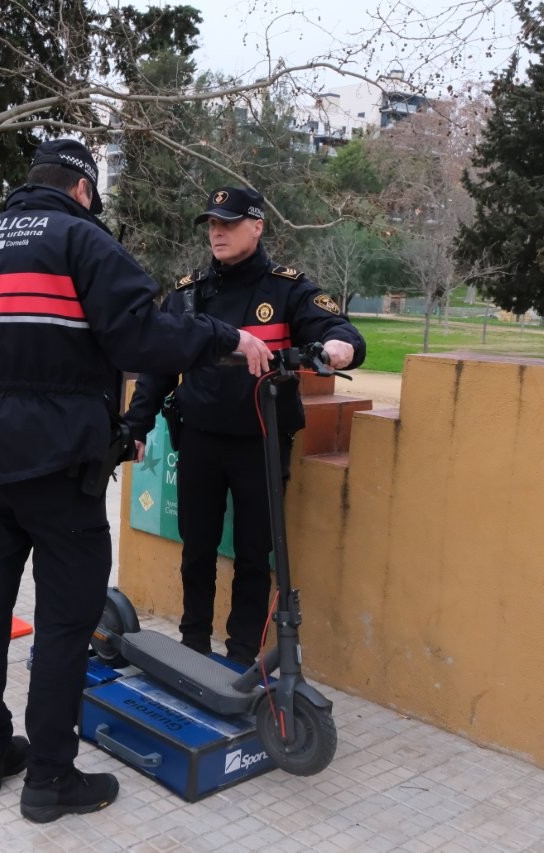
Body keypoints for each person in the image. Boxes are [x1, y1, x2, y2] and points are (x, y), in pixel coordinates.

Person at [0, 139, 244, 823]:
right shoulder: (81, 241)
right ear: (81, 190)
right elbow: (144, 336)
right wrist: (225, 339)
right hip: (59, 466)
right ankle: (49, 777)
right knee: (66, 623)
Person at [125, 185, 366, 667]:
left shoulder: (287, 288)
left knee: (255, 555)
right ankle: (191, 646)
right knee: (197, 548)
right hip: (198, 439)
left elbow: (342, 334)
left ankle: (239, 658)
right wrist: (136, 424)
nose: (217, 231)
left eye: (228, 223)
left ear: (257, 226)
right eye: (212, 224)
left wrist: (336, 350)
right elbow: (156, 368)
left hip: (262, 442)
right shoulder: (189, 293)